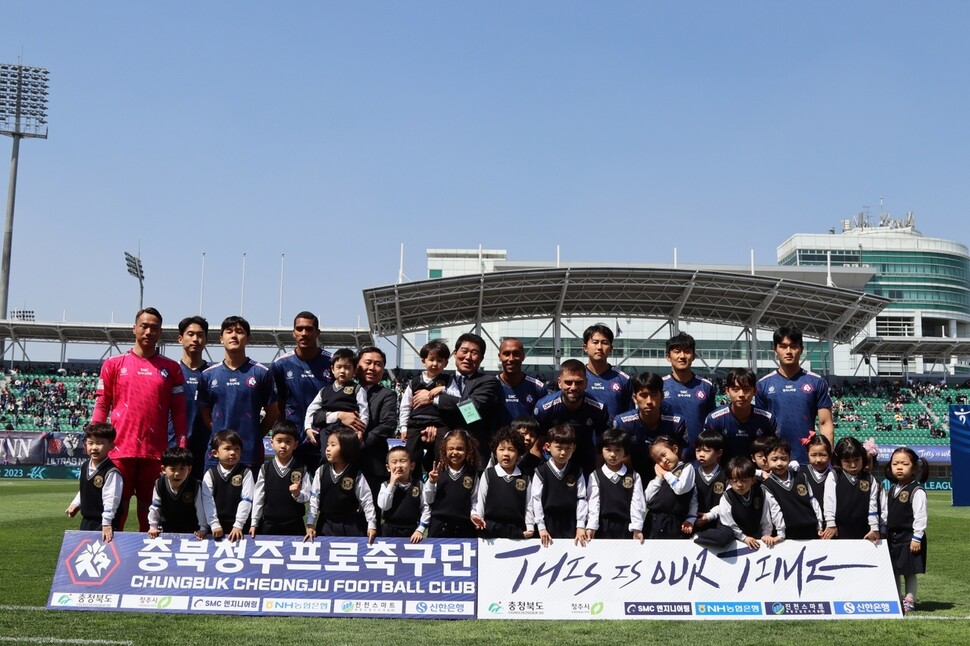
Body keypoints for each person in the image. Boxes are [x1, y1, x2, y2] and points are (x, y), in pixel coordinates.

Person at [91, 307, 187, 531]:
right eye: (144, 326)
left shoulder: (171, 368)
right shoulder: (113, 364)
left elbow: (179, 411)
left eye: (154, 327)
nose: (148, 331)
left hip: (154, 454)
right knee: (116, 509)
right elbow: (103, 403)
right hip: (119, 452)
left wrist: (181, 444)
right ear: (134, 328)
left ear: (160, 332)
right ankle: (113, 559)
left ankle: (148, 560)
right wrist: (94, 438)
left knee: (151, 512)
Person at [197, 316, 279, 473]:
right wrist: (219, 434)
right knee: (214, 498)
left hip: (250, 454)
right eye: (229, 331)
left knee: (251, 498)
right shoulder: (208, 375)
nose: (234, 335)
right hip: (217, 454)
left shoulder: (261, 373)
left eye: (239, 331)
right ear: (221, 338)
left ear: (248, 338)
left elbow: (273, 412)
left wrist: (255, 435)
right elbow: (205, 412)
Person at [408, 333, 501, 467]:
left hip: (473, 457)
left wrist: (434, 399)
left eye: (474, 353)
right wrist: (430, 427)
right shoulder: (442, 379)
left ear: (481, 358)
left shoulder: (488, 382)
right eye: (464, 351)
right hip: (444, 458)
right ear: (455, 353)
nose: (468, 357)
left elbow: (471, 412)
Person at [755, 325, 834, 464]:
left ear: (801, 349)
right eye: (783, 346)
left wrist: (828, 461)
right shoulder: (763, 385)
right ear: (775, 350)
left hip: (808, 460)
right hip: (776, 462)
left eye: (793, 346)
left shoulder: (817, 382)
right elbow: (761, 428)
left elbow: (825, 423)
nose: (789, 351)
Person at [271, 311, 333, 474]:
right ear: (294, 333)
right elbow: (278, 402)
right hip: (294, 439)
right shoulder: (281, 365)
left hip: (324, 439)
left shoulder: (332, 362)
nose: (304, 333)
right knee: (290, 491)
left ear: (317, 333)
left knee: (325, 491)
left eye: (309, 329)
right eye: (299, 329)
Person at [534, 359, 611, 476]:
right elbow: (537, 447)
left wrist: (596, 478)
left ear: (586, 382)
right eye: (568, 382)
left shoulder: (598, 408)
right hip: (552, 466)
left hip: (585, 465)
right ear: (559, 383)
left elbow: (602, 448)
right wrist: (540, 474)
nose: (573, 387)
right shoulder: (544, 407)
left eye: (578, 382)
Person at [612, 371, 688, 481]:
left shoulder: (677, 423)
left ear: (662, 397)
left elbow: (680, 459)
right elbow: (619, 459)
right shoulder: (622, 423)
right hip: (630, 479)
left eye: (654, 395)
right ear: (634, 398)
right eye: (643, 395)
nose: (649, 401)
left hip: (668, 480)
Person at [695, 456, 783, 550]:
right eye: (735, 481)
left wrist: (766, 534)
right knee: (723, 537)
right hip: (732, 530)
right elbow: (728, 522)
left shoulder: (761, 492)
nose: (740, 485)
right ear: (729, 481)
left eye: (744, 480)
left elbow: (765, 517)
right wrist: (744, 538)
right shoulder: (727, 496)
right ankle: (699, 535)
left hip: (753, 529)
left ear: (753, 480)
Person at [305, 429, 377, 543]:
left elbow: (366, 500)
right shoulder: (322, 471)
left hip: (351, 525)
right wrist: (310, 523)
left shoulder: (355, 474)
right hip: (326, 524)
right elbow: (314, 499)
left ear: (346, 448)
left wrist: (371, 524)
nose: (328, 449)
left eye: (333, 445)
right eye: (328, 444)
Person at [884, 446, 930, 614]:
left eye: (905, 463)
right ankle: (896, 596)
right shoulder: (892, 489)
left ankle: (909, 599)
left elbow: (920, 516)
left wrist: (917, 537)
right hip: (892, 536)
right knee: (894, 570)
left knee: (909, 571)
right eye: (895, 463)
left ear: (914, 467)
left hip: (909, 538)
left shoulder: (916, 491)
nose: (899, 467)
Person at [353, 347, 399, 507]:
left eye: (378, 364)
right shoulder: (343, 391)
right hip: (343, 464)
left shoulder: (387, 394)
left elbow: (388, 424)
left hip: (372, 466)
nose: (372, 368)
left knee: (371, 521)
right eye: (368, 363)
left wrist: (358, 445)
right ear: (357, 365)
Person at [471, 426, 535, 539]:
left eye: (511, 449)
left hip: (516, 531)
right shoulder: (488, 474)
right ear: (495, 452)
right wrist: (479, 518)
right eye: (501, 449)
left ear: (519, 454)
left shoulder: (524, 478)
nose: (506, 454)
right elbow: (481, 499)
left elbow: (529, 505)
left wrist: (529, 527)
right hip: (489, 529)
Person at [249, 420, 310, 537]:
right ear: (272, 443)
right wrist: (254, 523)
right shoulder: (265, 468)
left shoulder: (301, 468)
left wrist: (297, 494)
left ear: (295, 444)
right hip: (268, 525)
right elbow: (259, 497)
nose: (283, 445)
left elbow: (308, 496)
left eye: (288, 441)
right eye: (279, 441)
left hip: (294, 525)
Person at [703, 368, 777, 463]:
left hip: (758, 474)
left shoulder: (767, 419)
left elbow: (773, 453)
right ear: (727, 391)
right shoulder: (714, 419)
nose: (741, 394)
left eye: (746, 389)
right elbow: (707, 453)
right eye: (736, 389)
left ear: (755, 390)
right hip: (723, 474)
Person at [398, 340, 450, 474]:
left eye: (439, 360)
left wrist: (443, 389)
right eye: (431, 359)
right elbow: (405, 406)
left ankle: (440, 477)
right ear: (423, 361)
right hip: (416, 423)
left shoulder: (449, 380)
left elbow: (457, 398)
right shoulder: (414, 382)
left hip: (439, 423)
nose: (435, 363)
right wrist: (403, 427)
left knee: (442, 453)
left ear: (445, 363)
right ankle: (411, 482)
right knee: (411, 455)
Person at [531, 423, 588, 547]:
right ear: (547, 447)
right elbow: (536, 500)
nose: (563, 452)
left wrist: (580, 525)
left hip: (571, 521)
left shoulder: (577, 471)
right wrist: (541, 527)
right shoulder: (541, 472)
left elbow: (582, 498)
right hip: (548, 521)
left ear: (574, 448)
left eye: (568, 448)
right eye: (559, 447)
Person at [585, 428, 645, 541]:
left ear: (625, 453)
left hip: (626, 527)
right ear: (601, 451)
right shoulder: (595, 475)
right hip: (602, 527)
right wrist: (591, 526)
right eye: (608, 449)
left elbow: (637, 503)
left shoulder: (633, 476)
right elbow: (593, 503)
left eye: (618, 450)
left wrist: (637, 528)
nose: (613, 454)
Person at [65, 422, 122, 542]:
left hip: (103, 523)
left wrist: (106, 523)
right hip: (86, 521)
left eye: (100, 443)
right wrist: (76, 504)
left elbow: (111, 499)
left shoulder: (111, 472)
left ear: (111, 446)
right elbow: (85, 489)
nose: (94, 447)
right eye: (90, 443)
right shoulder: (85, 465)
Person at [760, 437, 823, 540]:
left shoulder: (801, 477)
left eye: (783, 458)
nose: (779, 463)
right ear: (765, 461)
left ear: (789, 459)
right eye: (774, 459)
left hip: (811, 531)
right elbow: (773, 510)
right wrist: (779, 534)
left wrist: (819, 526)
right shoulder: (767, 485)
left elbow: (813, 501)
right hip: (788, 536)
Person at [172, 316, 210, 481]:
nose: (195, 339)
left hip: (206, 450)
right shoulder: (170, 372)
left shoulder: (213, 374)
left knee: (204, 502)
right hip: (173, 448)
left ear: (206, 340)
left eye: (200, 335)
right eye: (190, 334)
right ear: (180, 338)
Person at [821, 437, 882, 542]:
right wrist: (831, 524)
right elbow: (829, 501)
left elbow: (873, 506)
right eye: (847, 461)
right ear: (839, 461)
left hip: (862, 532)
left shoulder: (869, 479)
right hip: (838, 531)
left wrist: (874, 528)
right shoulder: (834, 476)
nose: (853, 465)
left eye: (857, 460)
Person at [662, 332, 716, 446]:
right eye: (677, 351)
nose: (682, 356)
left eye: (687, 351)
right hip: (667, 454)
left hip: (699, 455)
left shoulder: (706, 386)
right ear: (668, 357)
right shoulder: (660, 386)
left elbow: (712, 424)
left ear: (693, 356)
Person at [424, 429, 480, 538]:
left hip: (464, 527)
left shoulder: (472, 474)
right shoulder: (438, 471)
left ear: (468, 450)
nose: (455, 452)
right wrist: (431, 482)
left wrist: (474, 514)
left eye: (460, 449)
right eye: (451, 449)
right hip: (439, 527)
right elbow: (429, 500)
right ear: (445, 449)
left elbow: (474, 500)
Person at [304, 348, 369, 442]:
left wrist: (360, 431)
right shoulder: (324, 391)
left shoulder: (357, 389)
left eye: (347, 367)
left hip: (347, 431)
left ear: (355, 370)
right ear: (332, 369)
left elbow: (364, 411)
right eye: (339, 367)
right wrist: (308, 427)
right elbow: (312, 409)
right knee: (326, 455)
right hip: (327, 431)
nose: (342, 371)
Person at [200, 429, 253, 542]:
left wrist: (238, 525)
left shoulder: (246, 472)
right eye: (227, 449)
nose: (233, 452)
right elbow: (207, 500)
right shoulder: (210, 474)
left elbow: (247, 499)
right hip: (216, 526)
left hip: (240, 526)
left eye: (237, 449)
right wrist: (214, 524)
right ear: (215, 453)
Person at [644, 436, 697, 539]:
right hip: (653, 522)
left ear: (675, 449)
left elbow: (681, 489)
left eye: (664, 455)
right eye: (658, 460)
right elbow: (647, 498)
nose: (664, 461)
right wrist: (659, 478)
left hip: (673, 522)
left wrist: (690, 519)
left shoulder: (687, 468)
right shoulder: (660, 476)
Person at [147, 446, 206, 539]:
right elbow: (155, 506)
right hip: (166, 529)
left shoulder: (195, 485)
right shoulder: (159, 484)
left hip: (191, 530)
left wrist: (203, 528)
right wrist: (153, 526)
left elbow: (200, 508)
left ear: (189, 469)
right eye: (173, 469)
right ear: (163, 469)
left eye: (182, 469)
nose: (177, 473)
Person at [378, 446, 429, 541]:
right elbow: (384, 506)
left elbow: (426, 508)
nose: (399, 465)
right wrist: (392, 484)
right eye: (394, 462)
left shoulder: (419, 485)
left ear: (412, 466)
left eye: (403, 461)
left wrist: (420, 529)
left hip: (412, 532)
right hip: (388, 530)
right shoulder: (385, 485)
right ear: (388, 468)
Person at [582, 324, 632, 419]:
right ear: (585, 347)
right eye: (595, 342)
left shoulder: (623, 380)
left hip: (613, 433)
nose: (599, 347)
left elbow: (629, 415)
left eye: (604, 342)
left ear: (611, 348)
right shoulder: (576, 378)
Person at [495, 338, 548, 426]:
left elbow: (545, 423)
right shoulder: (490, 386)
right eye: (506, 354)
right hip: (497, 439)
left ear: (523, 356)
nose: (511, 359)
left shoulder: (538, 388)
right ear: (500, 357)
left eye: (516, 353)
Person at [691, 429, 727, 523]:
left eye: (707, 451)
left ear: (719, 453)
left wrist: (710, 516)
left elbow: (730, 503)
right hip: (694, 523)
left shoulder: (726, 475)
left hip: (720, 524)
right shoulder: (691, 474)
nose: (701, 455)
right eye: (698, 450)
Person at [804, 434, 833, 515]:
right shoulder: (800, 475)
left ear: (830, 455)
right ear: (807, 454)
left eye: (823, 455)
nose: (818, 460)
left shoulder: (836, 476)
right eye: (813, 455)